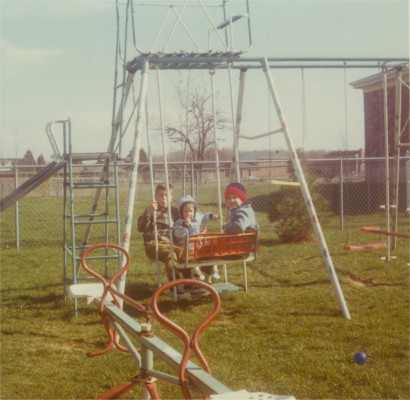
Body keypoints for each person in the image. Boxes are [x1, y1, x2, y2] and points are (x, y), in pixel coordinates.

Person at [137, 183, 193, 298]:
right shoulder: (151, 210)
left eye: (166, 195)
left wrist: (188, 223)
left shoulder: (174, 212)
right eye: (160, 195)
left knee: (184, 253)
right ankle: (174, 286)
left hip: (169, 243)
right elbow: (140, 228)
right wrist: (148, 213)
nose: (163, 198)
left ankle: (189, 282)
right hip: (153, 244)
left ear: (171, 197)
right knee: (170, 255)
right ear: (156, 197)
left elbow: (183, 223)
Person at [173, 195, 220, 281]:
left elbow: (204, 216)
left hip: (198, 244)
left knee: (210, 249)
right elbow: (177, 233)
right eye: (185, 211)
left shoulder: (197, 217)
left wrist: (211, 216)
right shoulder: (179, 222)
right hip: (186, 245)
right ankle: (197, 272)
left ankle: (214, 269)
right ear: (181, 212)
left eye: (190, 211)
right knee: (191, 254)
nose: (188, 214)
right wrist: (185, 226)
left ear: (194, 211)